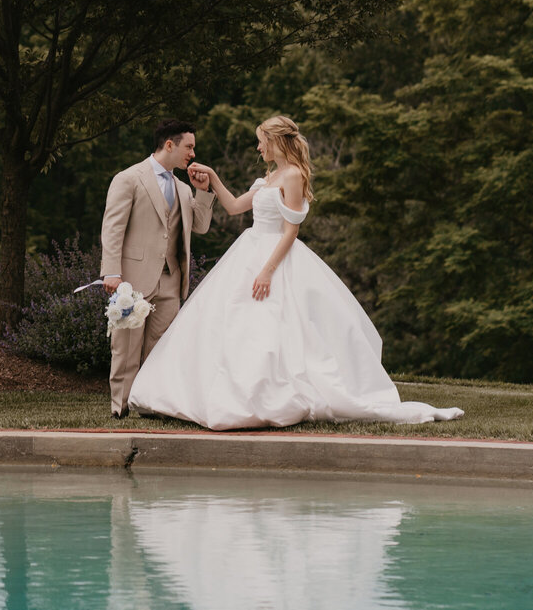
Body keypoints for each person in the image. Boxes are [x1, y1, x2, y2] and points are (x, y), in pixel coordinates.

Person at [127, 115, 463, 429]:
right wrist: (211, 179)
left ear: (276, 141)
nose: (259, 148)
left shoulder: (294, 177)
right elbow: (233, 207)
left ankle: (269, 395)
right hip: (249, 250)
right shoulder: (268, 178)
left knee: (278, 329)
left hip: (275, 258)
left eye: (262, 142)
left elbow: (290, 232)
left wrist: (266, 272)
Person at [100, 118, 215, 418]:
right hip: (133, 278)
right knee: (125, 348)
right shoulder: (129, 178)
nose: (192, 153)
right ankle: (120, 407)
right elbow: (113, 228)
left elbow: (200, 227)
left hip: (171, 280)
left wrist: (202, 191)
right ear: (169, 145)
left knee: (161, 348)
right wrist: (111, 271)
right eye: (188, 146)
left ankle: (151, 405)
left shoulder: (183, 188)